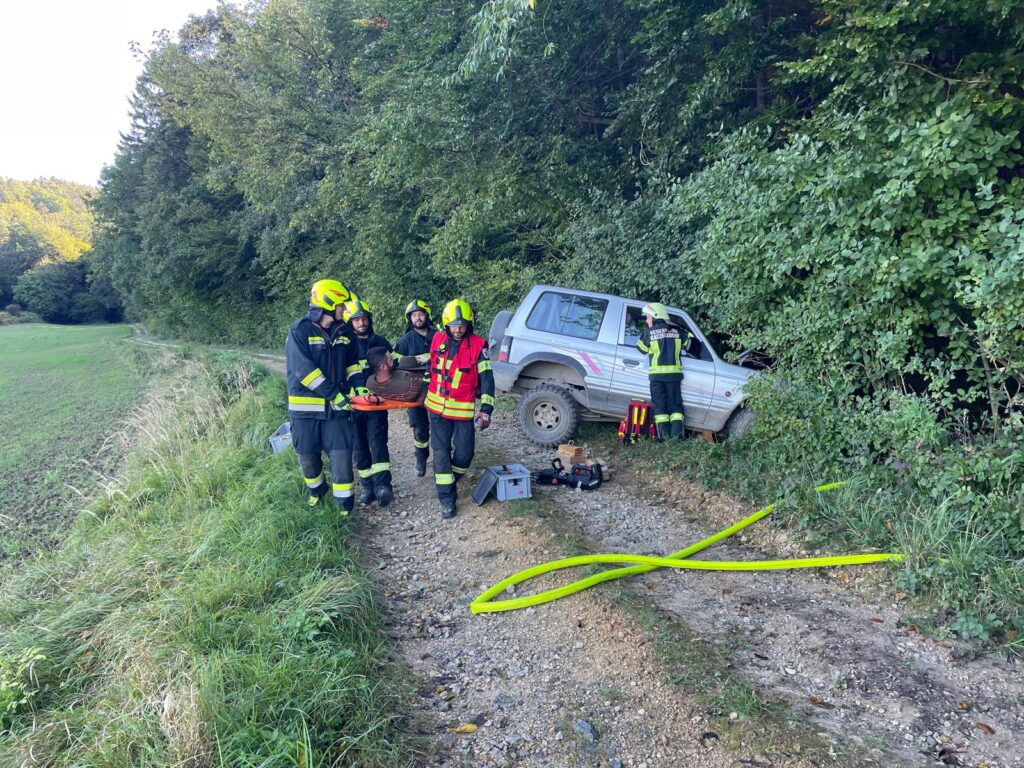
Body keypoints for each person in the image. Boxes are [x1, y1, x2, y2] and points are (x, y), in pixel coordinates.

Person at [285, 279, 360, 514]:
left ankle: (344, 507)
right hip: (305, 412)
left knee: (342, 456)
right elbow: (305, 373)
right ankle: (317, 491)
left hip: (336, 412)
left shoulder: (344, 331)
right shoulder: (300, 331)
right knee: (307, 457)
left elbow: (353, 364)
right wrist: (335, 395)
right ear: (329, 303)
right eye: (341, 305)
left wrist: (359, 386)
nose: (344, 309)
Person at [424, 298, 495, 519]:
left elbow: (487, 378)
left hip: (462, 411)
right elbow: (430, 367)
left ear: (469, 324)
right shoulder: (437, 339)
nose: (457, 329)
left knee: (465, 453)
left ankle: (448, 479)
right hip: (436, 409)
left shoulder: (479, 346)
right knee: (441, 452)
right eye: (454, 325)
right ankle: (446, 499)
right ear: (446, 325)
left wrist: (486, 409)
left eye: (462, 325)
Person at [343, 299, 395, 507]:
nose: (361, 322)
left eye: (364, 318)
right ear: (350, 323)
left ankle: (383, 487)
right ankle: (367, 487)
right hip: (353, 405)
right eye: (356, 320)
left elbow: (394, 367)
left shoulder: (381, 342)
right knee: (359, 446)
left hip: (376, 403)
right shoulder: (343, 345)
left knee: (378, 442)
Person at [636, 302, 692, 440]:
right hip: (674, 376)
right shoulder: (677, 331)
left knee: (660, 407)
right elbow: (692, 343)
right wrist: (680, 327)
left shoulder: (648, 333)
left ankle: (664, 438)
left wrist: (649, 331)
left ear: (655, 316)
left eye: (648, 317)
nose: (647, 320)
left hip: (657, 377)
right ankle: (677, 437)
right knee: (675, 406)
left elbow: (641, 348)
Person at [394, 299, 435, 476]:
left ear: (427, 316)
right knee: (420, 429)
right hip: (415, 392)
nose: (418, 318)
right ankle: (421, 459)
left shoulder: (439, 337)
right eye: (414, 315)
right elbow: (395, 365)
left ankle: (442, 461)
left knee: (441, 427)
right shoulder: (404, 341)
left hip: (438, 389)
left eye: (420, 314)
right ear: (409, 319)